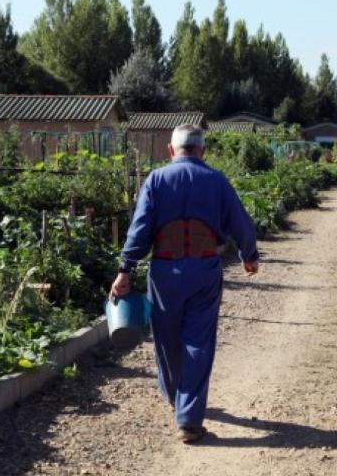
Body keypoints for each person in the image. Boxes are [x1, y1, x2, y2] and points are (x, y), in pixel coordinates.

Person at [110, 124, 259, 444]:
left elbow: (140, 228)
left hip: (165, 270)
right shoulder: (217, 180)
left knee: (166, 339)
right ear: (202, 151)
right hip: (204, 268)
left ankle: (175, 395)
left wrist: (125, 269)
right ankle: (189, 419)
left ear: (170, 150)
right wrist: (249, 255)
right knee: (198, 343)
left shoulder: (156, 180)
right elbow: (240, 221)